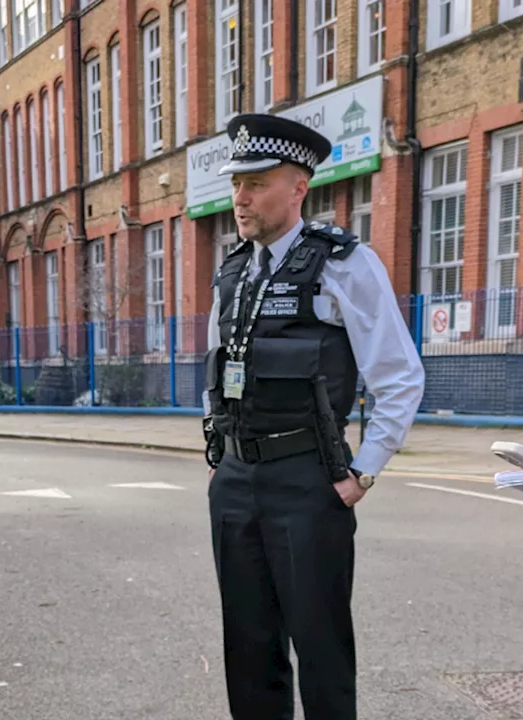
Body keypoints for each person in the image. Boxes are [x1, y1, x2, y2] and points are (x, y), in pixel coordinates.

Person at [201, 113, 426, 720]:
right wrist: (221, 456)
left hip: (309, 479)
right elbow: (219, 366)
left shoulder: (344, 264)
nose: (240, 198)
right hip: (237, 483)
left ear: (298, 186)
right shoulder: (232, 271)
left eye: (256, 183)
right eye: (236, 184)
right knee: (247, 647)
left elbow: (399, 376)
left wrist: (364, 473)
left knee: (321, 648)